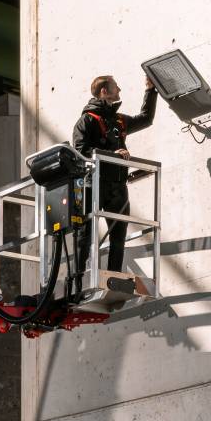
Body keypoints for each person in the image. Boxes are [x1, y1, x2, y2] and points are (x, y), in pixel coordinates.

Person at [71, 72, 157, 278]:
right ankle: (77, 282)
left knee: (118, 235)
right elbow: (80, 151)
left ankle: (113, 279)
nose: (119, 90)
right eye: (116, 86)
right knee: (86, 234)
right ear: (104, 91)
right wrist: (112, 154)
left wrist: (150, 90)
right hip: (93, 184)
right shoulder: (86, 121)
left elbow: (145, 119)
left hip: (118, 186)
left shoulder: (118, 120)